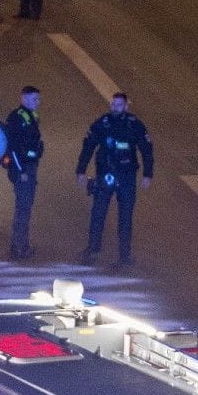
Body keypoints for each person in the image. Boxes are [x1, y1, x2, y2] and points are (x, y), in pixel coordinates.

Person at [75, 92, 154, 265]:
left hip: (127, 177)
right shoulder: (103, 123)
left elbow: (146, 149)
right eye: (113, 104)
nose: (114, 107)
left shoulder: (135, 125)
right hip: (105, 174)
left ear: (126, 106)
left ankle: (124, 255)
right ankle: (93, 248)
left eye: (119, 105)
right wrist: (80, 170)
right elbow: (88, 146)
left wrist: (148, 174)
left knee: (125, 217)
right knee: (98, 213)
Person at [3, 87, 45, 259]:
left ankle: (21, 245)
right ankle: (19, 248)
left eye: (38, 99)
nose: (38, 102)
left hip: (29, 168)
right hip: (23, 170)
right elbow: (12, 147)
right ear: (24, 99)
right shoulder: (17, 118)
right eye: (35, 99)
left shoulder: (31, 117)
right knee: (23, 209)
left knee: (25, 209)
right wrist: (21, 170)